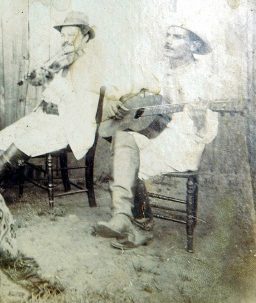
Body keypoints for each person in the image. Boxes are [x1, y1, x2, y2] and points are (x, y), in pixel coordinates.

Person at [93, 24, 219, 249]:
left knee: (130, 163)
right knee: (122, 137)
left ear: (193, 45)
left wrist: (200, 119)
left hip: (185, 139)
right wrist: (113, 97)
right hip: (158, 133)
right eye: (168, 35)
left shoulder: (204, 77)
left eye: (177, 36)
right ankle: (121, 216)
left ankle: (141, 225)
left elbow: (207, 132)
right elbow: (130, 85)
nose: (168, 40)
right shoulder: (158, 68)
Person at [0, 11, 125, 185]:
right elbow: (51, 94)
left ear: (85, 38)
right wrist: (39, 79)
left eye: (72, 35)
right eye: (63, 35)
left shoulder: (90, 65)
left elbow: (76, 103)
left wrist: (51, 79)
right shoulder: (64, 61)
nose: (66, 39)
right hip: (45, 118)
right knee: (4, 136)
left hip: (70, 124)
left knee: (25, 140)